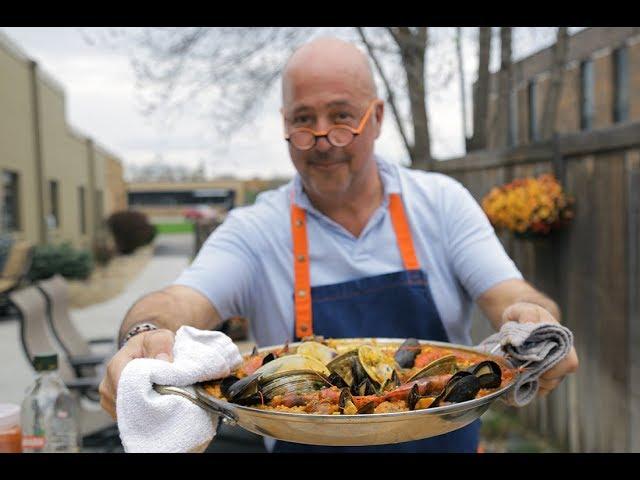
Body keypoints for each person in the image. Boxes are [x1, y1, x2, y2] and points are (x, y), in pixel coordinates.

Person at [99, 37, 579, 453]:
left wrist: (533, 320)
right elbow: (178, 301)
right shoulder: (255, 228)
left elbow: (512, 295)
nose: (324, 139)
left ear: (378, 118)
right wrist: (145, 333)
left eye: (343, 117)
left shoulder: (441, 203)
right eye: (304, 120)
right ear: (284, 123)